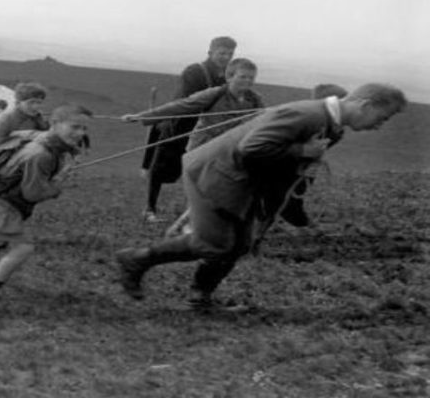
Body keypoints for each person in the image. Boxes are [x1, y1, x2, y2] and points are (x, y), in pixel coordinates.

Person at [116, 83, 407, 310]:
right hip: (215, 173)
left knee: (241, 244)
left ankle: (199, 299)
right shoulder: (306, 114)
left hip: (243, 182)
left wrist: (268, 209)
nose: (379, 126)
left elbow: (286, 169)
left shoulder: (333, 127)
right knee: (215, 245)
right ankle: (135, 259)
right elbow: (250, 149)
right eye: (382, 118)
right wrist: (302, 151)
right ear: (365, 104)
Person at [0, 104, 92, 319]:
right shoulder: (41, 154)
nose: (80, 133)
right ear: (54, 124)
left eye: (84, 129)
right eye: (75, 127)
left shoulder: (40, 140)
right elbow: (32, 193)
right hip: (1, 207)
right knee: (23, 248)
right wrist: (57, 185)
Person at [140, 36, 237, 223]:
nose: (225, 57)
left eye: (230, 54)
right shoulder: (194, 72)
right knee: (161, 168)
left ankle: (196, 213)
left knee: (205, 170)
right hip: (180, 125)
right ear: (210, 52)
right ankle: (149, 209)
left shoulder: (230, 75)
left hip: (210, 128)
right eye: (222, 53)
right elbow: (186, 102)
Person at [123, 58, 264, 152]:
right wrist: (141, 116)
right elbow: (181, 106)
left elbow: (264, 121)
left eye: (251, 78)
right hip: (202, 148)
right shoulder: (215, 94)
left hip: (230, 148)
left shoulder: (255, 100)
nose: (248, 81)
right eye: (243, 77)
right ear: (229, 77)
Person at [270, 83, 350, 231]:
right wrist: (301, 165)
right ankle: (292, 219)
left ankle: (295, 217)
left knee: (300, 187)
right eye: (342, 103)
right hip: (284, 163)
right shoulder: (309, 122)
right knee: (282, 191)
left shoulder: (336, 127)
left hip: (304, 162)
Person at [0, 82, 49, 147]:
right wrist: (22, 137)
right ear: (18, 103)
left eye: (39, 103)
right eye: (31, 102)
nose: (36, 106)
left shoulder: (38, 118)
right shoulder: (3, 119)